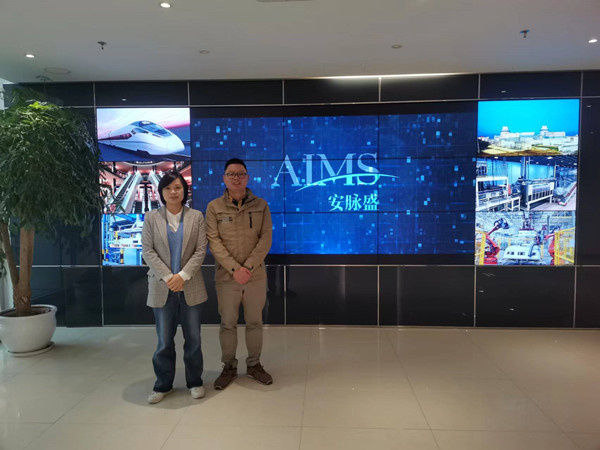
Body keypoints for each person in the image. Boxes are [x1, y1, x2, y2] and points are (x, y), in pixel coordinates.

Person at [206, 158, 273, 390]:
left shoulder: (261, 205)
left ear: (247, 177)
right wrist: (235, 269)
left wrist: (248, 268)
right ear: (224, 178)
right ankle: (229, 367)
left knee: (255, 322)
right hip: (227, 277)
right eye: (231, 174)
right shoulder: (214, 207)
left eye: (240, 174)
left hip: (255, 276)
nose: (236, 178)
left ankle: (254, 365)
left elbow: (266, 239)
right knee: (227, 323)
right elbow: (214, 242)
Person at [142, 170, 208, 404]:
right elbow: (147, 251)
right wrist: (170, 277)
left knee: (194, 339)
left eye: (178, 187)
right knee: (164, 341)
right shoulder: (151, 217)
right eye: (168, 188)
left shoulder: (196, 217)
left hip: (190, 286)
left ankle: (195, 382)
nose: (173, 192)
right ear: (161, 192)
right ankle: (163, 385)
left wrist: (183, 276)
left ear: (184, 191)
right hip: (162, 286)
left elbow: (201, 250)